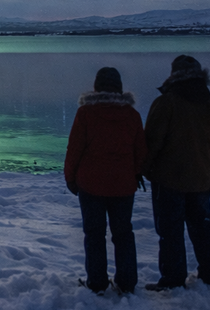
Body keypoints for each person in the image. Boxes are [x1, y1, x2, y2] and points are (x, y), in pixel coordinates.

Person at [143, 55, 210, 290]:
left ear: (173, 75)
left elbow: (152, 142)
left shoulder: (166, 103)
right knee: (203, 228)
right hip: (200, 179)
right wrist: (204, 163)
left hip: (167, 179)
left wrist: (145, 169)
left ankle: (173, 279)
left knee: (170, 231)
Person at [63, 66, 148, 294]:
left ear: (96, 87)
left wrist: (70, 178)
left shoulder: (86, 114)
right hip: (123, 186)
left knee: (94, 235)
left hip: (91, 186)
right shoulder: (132, 116)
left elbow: (75, 150)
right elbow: (141, 153)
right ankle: (127, 283)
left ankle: (97, 283)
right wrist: (136, 173)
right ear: (119, 88)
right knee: (123, 234)